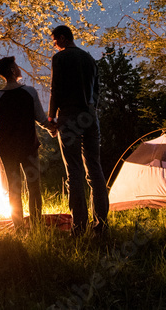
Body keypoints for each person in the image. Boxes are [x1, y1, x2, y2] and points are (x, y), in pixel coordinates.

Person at [47, 24, 108, 236]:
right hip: (90, 115)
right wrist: (91, 110)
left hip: (70, 116)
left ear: (63, 38)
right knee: (95, 169)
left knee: (74, 171)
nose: (54, 44)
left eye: (55, 40)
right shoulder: (90, 59)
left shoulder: (60, 58)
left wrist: (51, 117)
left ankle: (79, 227)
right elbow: (97, 90)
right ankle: (101, 225)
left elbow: (56, 88)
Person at [0, 55, 49, 229]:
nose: (19, 68)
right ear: (13, 71)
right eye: (16, 65)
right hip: (28, 147)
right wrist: (52, 127)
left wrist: (0, 137)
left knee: (14, 188)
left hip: (7, 149)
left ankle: (19, 227)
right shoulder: (29, 92)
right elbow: (41, 119)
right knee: (34, 186)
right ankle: (35, 224)